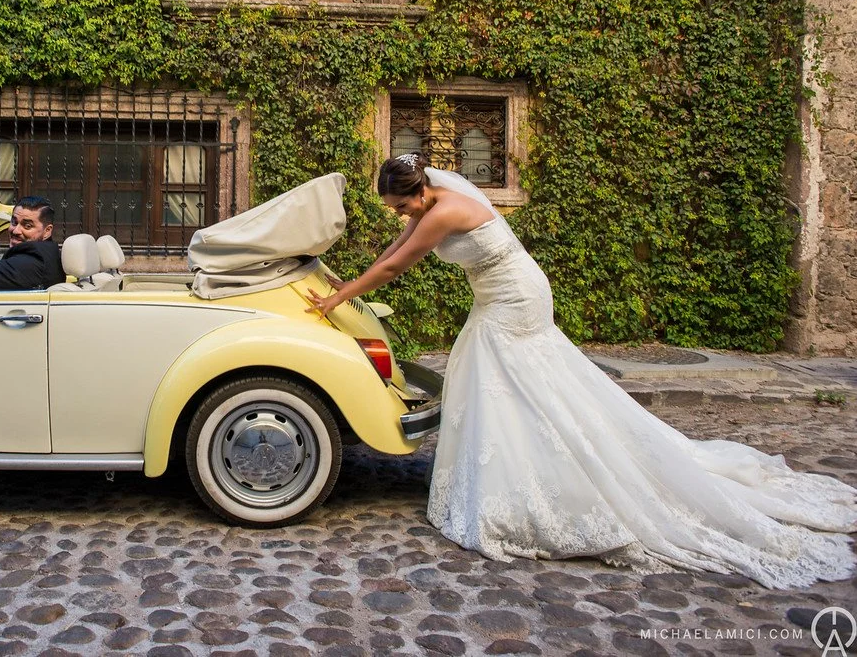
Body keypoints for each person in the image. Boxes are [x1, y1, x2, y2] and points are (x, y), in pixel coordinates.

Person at [306, 153, 857, 589]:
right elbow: (395, 245)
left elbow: (400, 262)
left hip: (514, 299)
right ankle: (519, 473)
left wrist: (338, 301)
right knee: (501, 379)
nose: (402, 217)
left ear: (420, 193)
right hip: (498, 296)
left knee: (518, 382)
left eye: (402, 207)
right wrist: (347, 282)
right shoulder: (431, 203)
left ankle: (552, 481)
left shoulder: (446, 208)